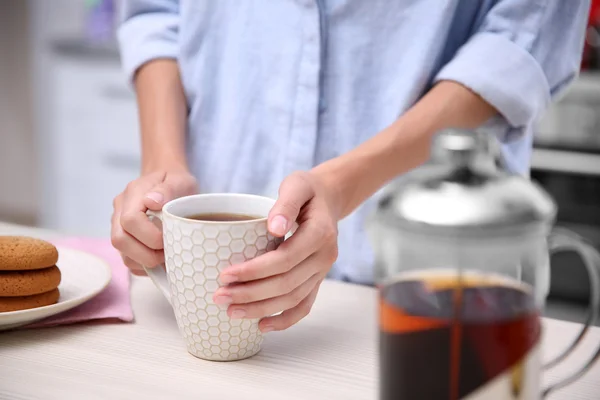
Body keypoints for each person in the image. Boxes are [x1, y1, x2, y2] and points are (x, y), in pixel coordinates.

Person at [112, 0, 591, 333]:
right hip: (210, 283)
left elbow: (523, 34)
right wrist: (163, 165)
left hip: (428, 269)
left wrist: (341, 186)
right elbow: (156, 14)